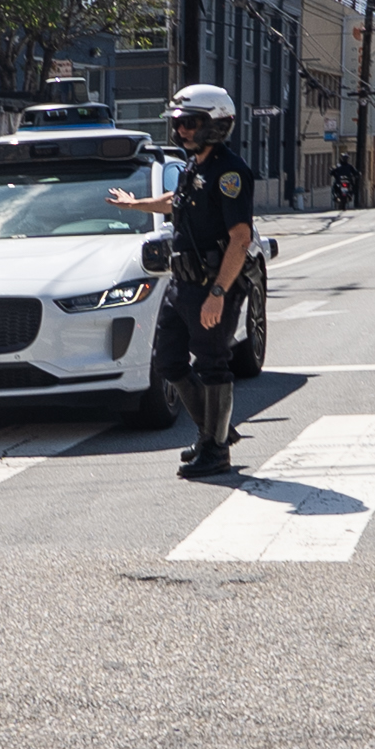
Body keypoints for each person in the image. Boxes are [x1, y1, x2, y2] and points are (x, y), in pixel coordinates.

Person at [108, 84, 256, 478]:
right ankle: (213, 431)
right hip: (181, 284)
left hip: (212, 285)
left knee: (212, 365)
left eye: (190, 123)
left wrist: (218, 293)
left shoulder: (230, 172)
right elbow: (176, 201)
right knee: (168, 362)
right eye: (178, 124)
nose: (182, 131)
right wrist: (134, 204)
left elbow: (240, 238)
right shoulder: (195, 166)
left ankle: (216, 449)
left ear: (216, 124)